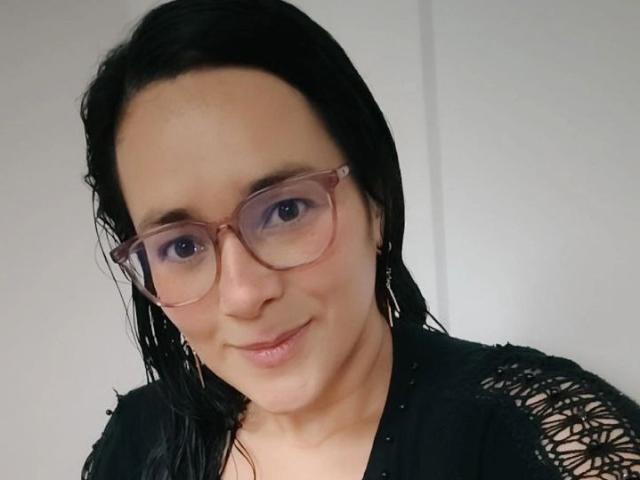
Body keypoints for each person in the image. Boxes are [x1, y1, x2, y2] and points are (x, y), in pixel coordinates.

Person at [79, 0, 640, 479]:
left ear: (375, 200)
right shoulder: (139, 440)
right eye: (181, 246)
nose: (244, 295)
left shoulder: (534, 433)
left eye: (285, 210)